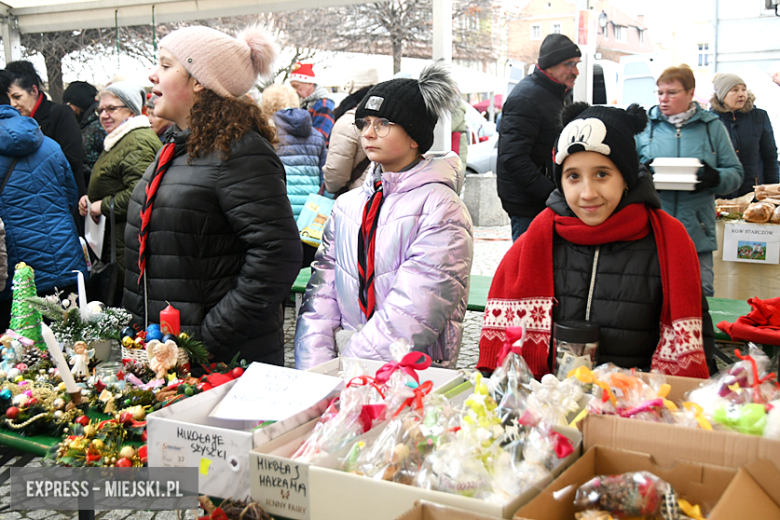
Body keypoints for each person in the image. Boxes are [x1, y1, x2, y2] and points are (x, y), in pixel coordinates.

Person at [477, 103, 714, 379]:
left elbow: (699, 343)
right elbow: (503, 364)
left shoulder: (667, 243)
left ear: (625, 178)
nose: (587, 193)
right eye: (573, 176)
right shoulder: (536, 242)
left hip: (635, 408)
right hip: (547, 408)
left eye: (602, 174)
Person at [123, 25, 302, 366]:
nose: (152, 75)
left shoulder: (239, 151)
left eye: (164, 65)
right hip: (164, 355)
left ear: (198, 80)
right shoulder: (178, 147)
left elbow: (277, 255)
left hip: (217, 365)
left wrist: (206, 339)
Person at [294, 61, 474, 370]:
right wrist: (316, 370)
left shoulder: (442, 208)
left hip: (414, 373)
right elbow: (322, 295)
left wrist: (351, 370)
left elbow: (417, 309)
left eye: (384, 123)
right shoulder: (348, 205)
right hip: (346, 370)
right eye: (365, 123)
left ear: (415, 136)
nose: (369, 133)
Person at [636, 65, 743, 298]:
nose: (664, 99)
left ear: (690, 93)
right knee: (650, 296)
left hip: (697, 230)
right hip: (653, 227)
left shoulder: (712, 127)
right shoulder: (644, 126)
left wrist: (715, 178)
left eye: (672, 93)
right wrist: (642, 175)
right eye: (660, 93)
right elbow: (623, 172)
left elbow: (735, 173)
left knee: (699, 294)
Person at [0, 71, 87, 329]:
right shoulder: (48, 144)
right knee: (71, 353)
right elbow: (69, 196)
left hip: (15, 276)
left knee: (20, 359)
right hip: (63, 264)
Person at [79, 81, 161, 306]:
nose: (104, 115)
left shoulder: (136, 142)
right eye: (100, 110)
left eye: (112, 108)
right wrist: (89, 201)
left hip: (130, 248)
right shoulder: (120, 139)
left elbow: (141, 194)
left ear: (131, 109)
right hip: (120, 244)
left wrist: (101, 205)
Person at [497, 34, 581, 241]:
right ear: (549, 66)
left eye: (577, 64)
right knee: (528, 266)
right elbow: (514, 158)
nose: (576, 71)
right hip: (529, 205)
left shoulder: (558, 94)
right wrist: (553, 193)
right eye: (569, 64)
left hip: (544, 200)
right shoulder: (525, 98)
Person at [260, 83, 326, 268]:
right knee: (307, 272)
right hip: (310, 216)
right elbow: (325, 178)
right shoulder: (316, 135)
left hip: (280, 213)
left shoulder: (267, 136)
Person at [4, 61, 86, 204]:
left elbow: (72, 160)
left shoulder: (60, 114)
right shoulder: (12, 125)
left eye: (17, 97)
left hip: (63, 201)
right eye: (8, 98)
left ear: (34, 91)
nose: (12, 104)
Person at [709, 73, 778, 197]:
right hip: (722, 194)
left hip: (755, 193)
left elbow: (770, 156)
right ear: (722, 95)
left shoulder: (759, 117)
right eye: (734, 90)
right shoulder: (711, 121)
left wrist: (773, 190)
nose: (741, 94)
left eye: (744, 89)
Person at [322, 84, 374, 195]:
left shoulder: (347, 122)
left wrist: (330, 185)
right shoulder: (387, 119)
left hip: (354, 196)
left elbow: (335, 175)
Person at [63, 81, 106, 187]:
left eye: (69, 104)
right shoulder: (81, 123)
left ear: (80, 103)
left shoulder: (99, 126)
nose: (67, 108)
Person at [289, 62, 335, 145]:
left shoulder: (324, 105)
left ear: (310, 84)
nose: (293, 91)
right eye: (292, 87)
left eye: (296, 86)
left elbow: (318, 139)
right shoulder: (305, 103)